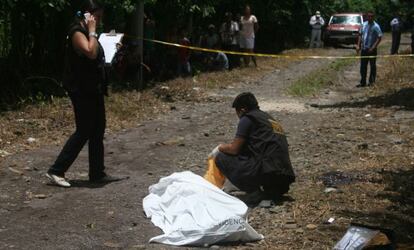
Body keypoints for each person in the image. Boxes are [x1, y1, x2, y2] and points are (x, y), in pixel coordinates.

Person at [46, 0, 119, 187]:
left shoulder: (89, 33)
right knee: (84, 129)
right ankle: (56, 170)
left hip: (94, 88)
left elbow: (97, 55)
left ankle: (97, 173)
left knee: (98, 129)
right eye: (98, 17)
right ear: (88, 15)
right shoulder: (77, 32)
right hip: (81, 89)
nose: (100, 20)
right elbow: (90, 51)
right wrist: (93, 30)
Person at [213, 92, 295, 205]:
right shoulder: (269, 119)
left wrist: (219, 148)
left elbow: (234, 149)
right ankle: (271, 191)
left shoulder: (247, 118)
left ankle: (254, 191)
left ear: (242, 110)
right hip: (284, 178)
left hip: (268, 174)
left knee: (221, 157)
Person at [356, 12, 382, 87]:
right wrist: (358, 45)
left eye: (371, 16)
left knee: (372, 66)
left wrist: (373, 47)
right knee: (363, 66)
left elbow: (379, 37)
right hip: (364, 49)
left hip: (372, 50)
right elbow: (360, 35)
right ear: (366, 17)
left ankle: (371, 82)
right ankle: (363, 82)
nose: (370, 18)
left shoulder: (376, 26)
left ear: (374, 17)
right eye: (369, 16)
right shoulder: (363, 24)